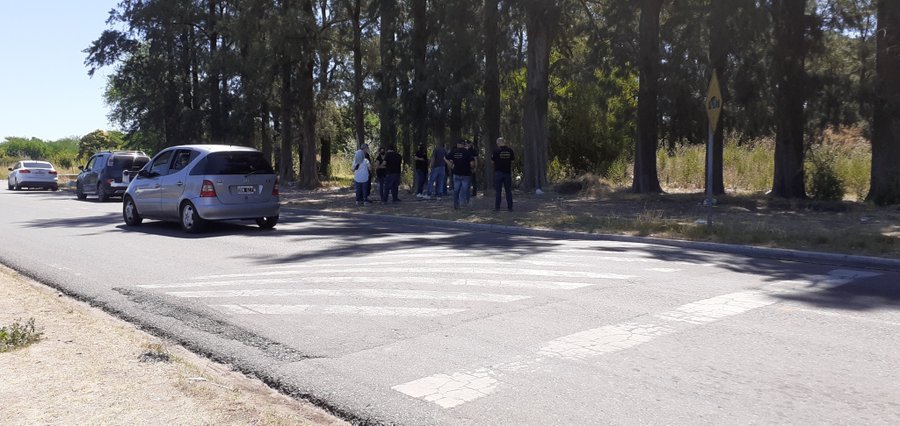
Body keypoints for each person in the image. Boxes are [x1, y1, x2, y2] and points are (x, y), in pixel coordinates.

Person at [445, 138, 475, 210]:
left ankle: (456, 205)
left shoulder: (454, 152)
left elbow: (445, 158)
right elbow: (472, 163)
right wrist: (472, 167)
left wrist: (450, 165)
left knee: (456, 190)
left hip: (456, 173)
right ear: (463, 144)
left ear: (458, 144)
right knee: (466, 190)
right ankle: (467, 204)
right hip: (466, 174)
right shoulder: (467, 152)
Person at [491, 137, 515, 211]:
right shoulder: (510, 150)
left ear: (498, 142)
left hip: (498, 173)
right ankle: (510, 207)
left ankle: (497, 207)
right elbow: (512, 160)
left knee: (498, 191)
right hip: (507, 173)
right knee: (508, 191)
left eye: (497, 143)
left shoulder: (496, 151)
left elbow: (492, 161)